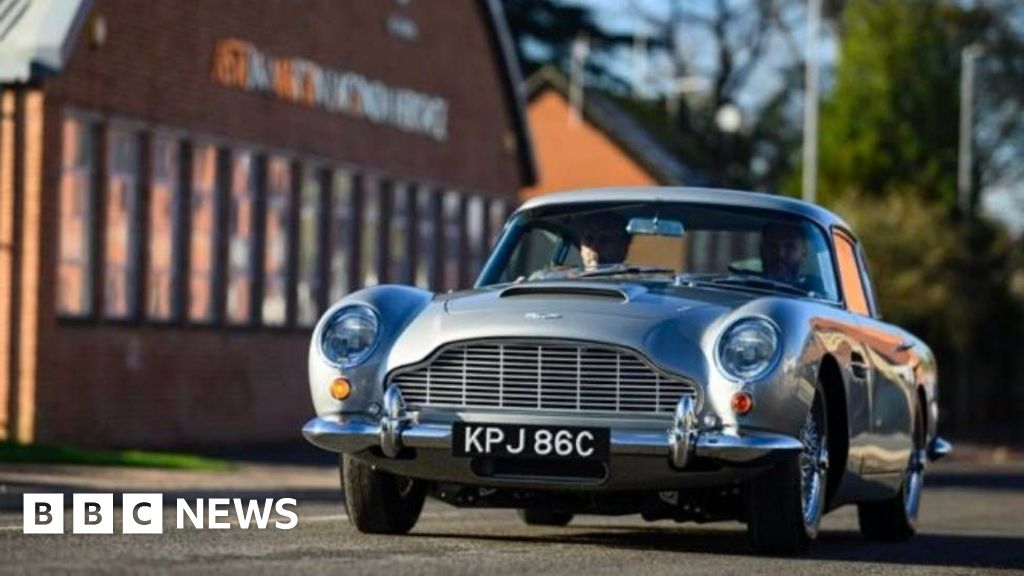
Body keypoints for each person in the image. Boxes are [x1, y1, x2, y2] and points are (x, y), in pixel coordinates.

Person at [760, 222, 824, 294]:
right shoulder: (747, 284)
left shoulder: (818, 290)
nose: (780, 254)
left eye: (789, 246)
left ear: (804, 252)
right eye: (772, 246)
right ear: (762, 250)